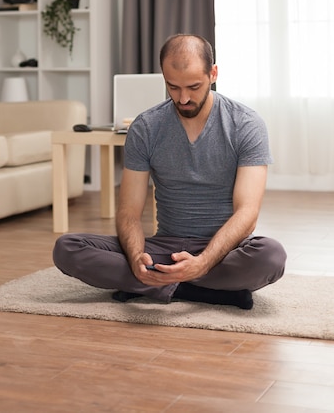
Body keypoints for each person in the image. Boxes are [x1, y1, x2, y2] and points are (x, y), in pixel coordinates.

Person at [53, 34, 287, 310]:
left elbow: (247, 214)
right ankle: (206, 290)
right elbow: (129, 211)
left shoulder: (245, 124)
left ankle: (155, 285)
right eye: (173, 87)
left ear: (213, 74)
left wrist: (202, 263)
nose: (184, 98)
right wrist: (137, 255)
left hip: (223, 250)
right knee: (67, 248)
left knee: (270, 256)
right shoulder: (146, 127)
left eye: (194, 86)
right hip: (164, 247)